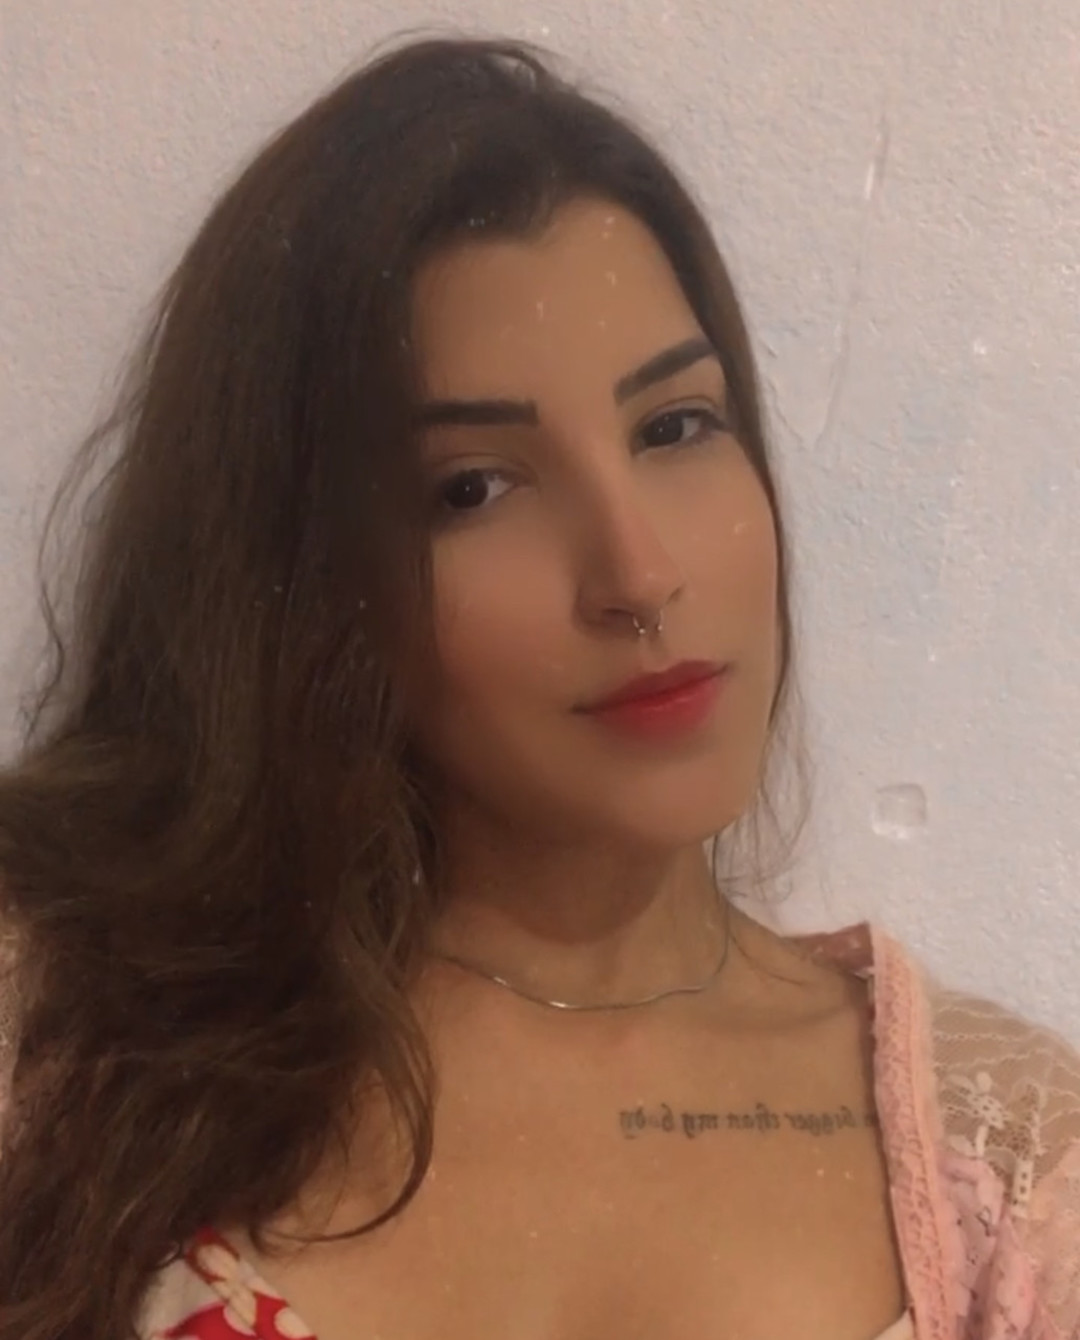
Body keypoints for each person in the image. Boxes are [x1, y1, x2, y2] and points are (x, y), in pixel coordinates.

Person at [0, 32, 1077, 1340]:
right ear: (302, 578)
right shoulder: (59, 1032)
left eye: (675, 426)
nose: (639, 573)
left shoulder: (1017, 1164)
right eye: (475, 488)